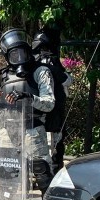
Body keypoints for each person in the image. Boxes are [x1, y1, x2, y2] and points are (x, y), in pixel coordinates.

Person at [0, 28, 56, 200]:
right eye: (13, 54)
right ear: (7, 56)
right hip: (8, 131)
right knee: (7, 174)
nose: (19, 58)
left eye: (22, 52)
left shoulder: (40, 71)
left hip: (32, 129)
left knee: (42, 173)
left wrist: (28, 98)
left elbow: (50, 103)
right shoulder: (2, 75)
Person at [32, 27, 70, 172]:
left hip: (51, 110)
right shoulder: (33, 63)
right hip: (39, 110)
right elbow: (66, 80)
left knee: (54, 144)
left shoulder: (50, 62)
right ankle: (48, 174)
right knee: (48, 147)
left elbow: (66, 80)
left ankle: (52, 174)